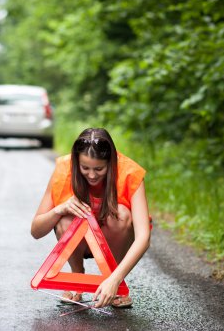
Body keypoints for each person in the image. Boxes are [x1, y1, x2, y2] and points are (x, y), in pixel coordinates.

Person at [31, 128, 151, 308]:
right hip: (79, 241)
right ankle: (76, 277)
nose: (92, 175)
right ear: (76, 162)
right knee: (64, 218)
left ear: (111, 163)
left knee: (122, 214)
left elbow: (143, 237)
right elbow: (36, 231)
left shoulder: (129, 172)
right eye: (85, 168)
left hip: (112, 238)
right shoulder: (64, 169)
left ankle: (111, 281)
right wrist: (60, 209)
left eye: (99, 169)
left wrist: (115, 279)